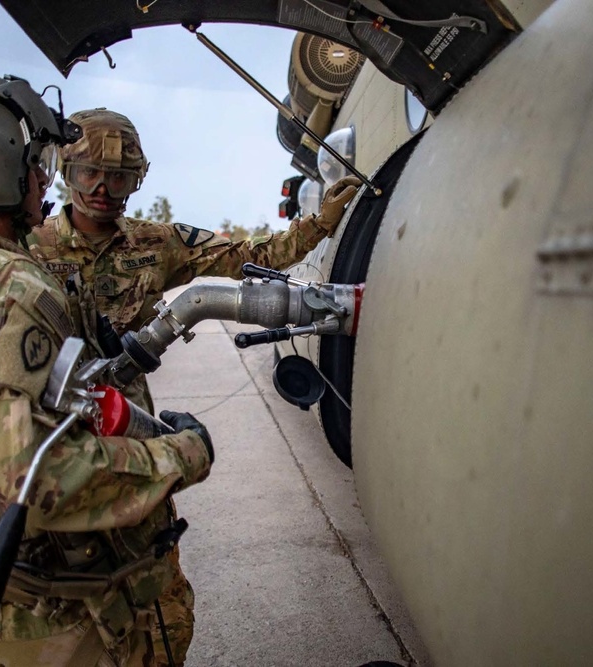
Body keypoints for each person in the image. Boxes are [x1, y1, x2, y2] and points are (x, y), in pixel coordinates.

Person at [0, 70, 214, 666]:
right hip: (63, 616)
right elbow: (38, 478)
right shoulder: (8, 283)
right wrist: (185, 454)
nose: (43, 177)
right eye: (36, 161)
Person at [28, 109, 359, 665]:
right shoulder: (29, 249)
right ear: (66, 171)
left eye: (122, 176)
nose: (104, 189)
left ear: (140, 179)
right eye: (89, 173)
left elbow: (252, 256)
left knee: (157, 595)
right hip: (47, 434)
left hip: (126, 425)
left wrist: (322, 219)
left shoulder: (158, 243)